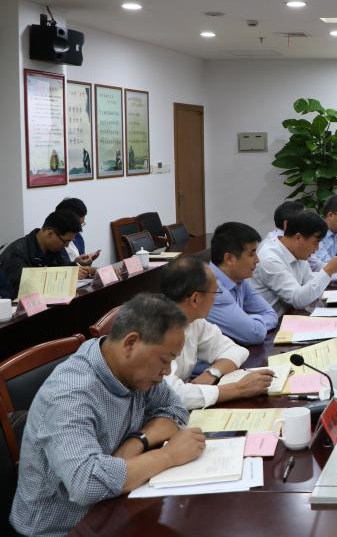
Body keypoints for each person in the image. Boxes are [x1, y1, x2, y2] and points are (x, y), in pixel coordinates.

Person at [9, 293, 205, 536]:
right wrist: (169, 455)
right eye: (165, 360)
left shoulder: (132, 370)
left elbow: (174, 408)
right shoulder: (69, 394)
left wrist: (137, 441)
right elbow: (86, 484)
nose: (166, 372)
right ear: (131, 343)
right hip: (63, 528)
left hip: (114, 506)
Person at [160, 255, 272, 409]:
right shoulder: (155, 330)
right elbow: (172, 395)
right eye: (215, 293)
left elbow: (236, 350)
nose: (215, 300)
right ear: (195, 299)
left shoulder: (194, 320)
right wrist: (239, 389)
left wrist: (212, 373)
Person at [251, 209, 337, 313]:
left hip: (293, 315)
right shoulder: (270, 259)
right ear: (298, 238)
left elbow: (309, 281)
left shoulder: (298, 252)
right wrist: (328, 270)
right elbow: (297, 300)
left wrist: (334, 273)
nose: (317, 248)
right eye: (315, 242)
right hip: (273, 325)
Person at [0, 210, 90, 290]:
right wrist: (67, 277)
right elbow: (22, 287)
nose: (66, 246)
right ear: (50, 234)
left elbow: (63, 267)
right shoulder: (16, 253)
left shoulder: (54, 248)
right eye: (66, 241)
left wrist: (75, 269)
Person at [55, 197, 100, 266]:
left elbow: (81, 265)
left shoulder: (78, 237)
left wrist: (86, 262)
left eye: (82, 224)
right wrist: (75, 264)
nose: (79, 229)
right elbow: (59, 269)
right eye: (78, 224)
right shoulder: (54, 242)